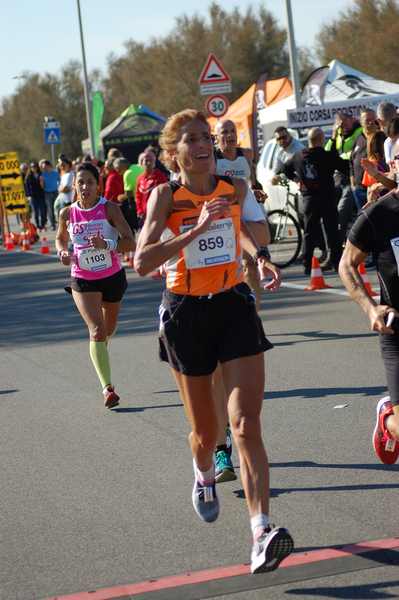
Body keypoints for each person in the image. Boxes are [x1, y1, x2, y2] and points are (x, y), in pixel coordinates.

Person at [134, 109, 293, 574]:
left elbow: (240, 233)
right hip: (186, 314)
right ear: (173, 153)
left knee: (245, 425)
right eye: (191, 138)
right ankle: (203, 472)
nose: (203, 143)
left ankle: (261, 532)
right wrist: (197, 228)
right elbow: (143, 262)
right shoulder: (165, 196)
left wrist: (260, 257)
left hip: (233, 305)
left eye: (207, 136)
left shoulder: (234, 188)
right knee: (207, 434)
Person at [55, 162, 135, 408]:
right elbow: (60, 237)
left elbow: (130, 242)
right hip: (82, 278)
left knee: (107, 331)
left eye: (90, 182)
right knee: (97, 330)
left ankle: (99, 351)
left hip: (112, 277)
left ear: (97, 185)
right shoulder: (67, 213)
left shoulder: (109, 209)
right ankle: (107, 388)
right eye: (80, 182)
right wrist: (61, 251)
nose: (85, 186)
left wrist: (107, 245)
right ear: (75, 186)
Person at [339, 181, 399, 465]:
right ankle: (389, 420)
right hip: (396, 330)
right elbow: (346, 264)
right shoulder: (379, 214)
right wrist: (370, 308)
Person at [278, 127, 348, 274]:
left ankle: (307, 265)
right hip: (327, 197)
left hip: (309, 198)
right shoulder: (326, 156)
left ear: (309, 140)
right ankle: (336, 263)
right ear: (321, 140)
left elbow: (285, 169)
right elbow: (344, 166)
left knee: (309, 231)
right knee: (332, 231)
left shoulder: (298, 156)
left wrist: (297, 179)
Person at [325, 112, 363, 240]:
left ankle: (341, 241)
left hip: (352, 177)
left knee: (342, 211)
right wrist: (333, 136)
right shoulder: (339, 136)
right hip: (339, 178)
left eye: (345, 121)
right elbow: (327, 153)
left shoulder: (359, 132)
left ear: (352, 119)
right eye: (339, 123)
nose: (343, 125)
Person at [350, 109, 378, 211]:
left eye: (373, 120)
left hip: (375, 189)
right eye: (367, 120)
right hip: (359, 189)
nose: (371, 123)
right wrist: (353, 183)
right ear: (361, 122)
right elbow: (351, 161)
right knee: (363, 219)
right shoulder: (358, 139)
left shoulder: (381, 138)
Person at [135, 150, 168, 227]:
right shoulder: (140, 179)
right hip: (144, 214)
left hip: (158, 212)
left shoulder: (160, 176)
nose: (148, 163)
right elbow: (138, 196)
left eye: (150, 160)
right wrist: (139, 211)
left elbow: (165, 194)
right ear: (141, 163)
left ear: (154, 162)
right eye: (145, 160)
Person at [25, 162, 46, 230]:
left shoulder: (41, 175)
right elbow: (27, 187)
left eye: (35, 167)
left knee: (42, 211)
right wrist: (28, 196)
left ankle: (43, 224)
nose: (34, 168)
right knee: (36, 212)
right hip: (33, 196)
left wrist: (42, 182)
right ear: (30, 168)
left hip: (40, 195)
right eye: (32, 167)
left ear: (37, 168)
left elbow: (43, 186)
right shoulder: (28, 176)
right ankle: (38, 225)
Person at [40, 160, 60, 230]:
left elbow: (59, 181)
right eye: (43, 167)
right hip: (47, 193)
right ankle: (52, 225)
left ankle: (59, 223)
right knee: (50, 209)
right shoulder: (43, 175)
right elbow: (42, 186)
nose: (44, 168)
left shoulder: (55, 173)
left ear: (49, 166)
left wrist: (59, 187)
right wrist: (41, 182)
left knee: (57, 208)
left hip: (55, 192)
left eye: (45, 167)